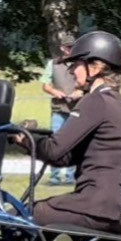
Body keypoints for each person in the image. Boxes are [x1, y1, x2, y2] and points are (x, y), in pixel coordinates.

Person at [14, 30, 121, 236]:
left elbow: (54, 150)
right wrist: (29, 141)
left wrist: (24, 137)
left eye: (75, 64)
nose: (71, 71)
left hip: (102, 205)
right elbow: (64, 158)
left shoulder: (95, 100)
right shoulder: (115, 102)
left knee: (15, 216)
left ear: (96, 66)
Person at [39, 30, 80, 185]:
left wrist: (79, 92)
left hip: (76, 108)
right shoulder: (53, 64)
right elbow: (45, 84)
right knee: (55, 142)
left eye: (73, 47)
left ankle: (71, 177)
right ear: (63, 48)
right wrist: (54, 91)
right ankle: (55, 177)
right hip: (58, 108)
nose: (70, 50)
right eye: (68, 47)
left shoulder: (80, 64)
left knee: (74, 142)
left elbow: (87, 84)